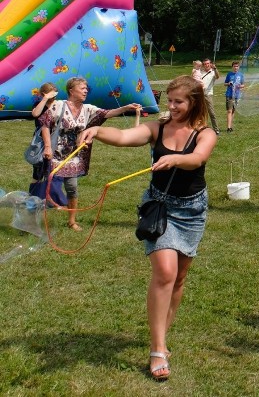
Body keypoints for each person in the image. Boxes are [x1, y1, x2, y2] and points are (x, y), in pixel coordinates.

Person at [78, 75, 217, 381]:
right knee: (165, 273)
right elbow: (127, 137)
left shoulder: (205, 133)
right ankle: (157, 349)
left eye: (178, 101)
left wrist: (175, 161)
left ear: (194, 102)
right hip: (160, 208)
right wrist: (99, 131)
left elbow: (198, 158)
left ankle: (162, 336)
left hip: (192, 211)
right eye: (169, 101)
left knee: (179, 278)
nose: (172, 106)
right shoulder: (159, 128)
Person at [40, 76, 141, 231]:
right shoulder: (58, 106)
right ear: (71, 90)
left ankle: (72, 221)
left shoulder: (88, 109)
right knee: (45, 186)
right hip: (54, 154)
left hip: (73, 157)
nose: (86, 91)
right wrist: (47, 146)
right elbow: (45, 124)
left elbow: (107, 113)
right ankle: (40, 220)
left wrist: (125, 108)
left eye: (86, 88)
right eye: (82, 88)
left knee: (72, 188)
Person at [29, 83, 64, 205]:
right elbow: (35, 114)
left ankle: (52, 199)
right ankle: (32, 197)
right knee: (38, 170)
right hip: (41, 143)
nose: (54, 97)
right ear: (44, 94)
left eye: (55, 94)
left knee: (54, 171)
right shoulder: (40, 105)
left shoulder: (59, 105)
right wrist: (44, 99)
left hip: (56, 140)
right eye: (51, 94)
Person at [199, 58, 220, 134]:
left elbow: (217, 77)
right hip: (200, 94)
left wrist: (215, 68)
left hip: (208, 94)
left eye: (208, 63)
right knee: (201, 112)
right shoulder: (200, 72)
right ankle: (202, 127)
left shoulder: (213, 72)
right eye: (205, 64)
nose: (206, 65)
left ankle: (216, 129)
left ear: (210, 64)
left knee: (211, 112)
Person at [224, 61, 245, 132]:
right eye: (234, 66)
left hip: (237, 95)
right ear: (232, 67)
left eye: (237, 66)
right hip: (229, 94)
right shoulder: (229, 74)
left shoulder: (241, 75)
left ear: (239, 67)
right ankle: (228, 128)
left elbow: (243, 85)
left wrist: (239, 86)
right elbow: (225, 83)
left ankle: (231, 126)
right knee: (229, 110)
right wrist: (229, 83)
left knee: (233, 111)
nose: (236, 68)